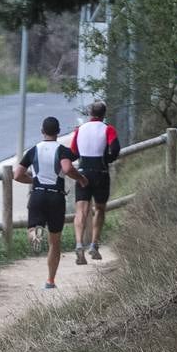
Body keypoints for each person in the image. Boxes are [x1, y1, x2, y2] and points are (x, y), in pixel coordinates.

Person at [14, 117, 89, 290]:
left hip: (38, 195)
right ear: (58, 131)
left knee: (32, 228)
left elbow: (17, 174)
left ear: (42, 131)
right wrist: (81, 179)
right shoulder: (62, 150)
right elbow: (68, 168)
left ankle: (35, 235)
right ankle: (50, 280)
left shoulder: (33, 150)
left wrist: (33, 180)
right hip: (56, 197)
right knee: (55, 242)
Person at [69, 100, 121, 262]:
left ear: (90, 113)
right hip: (101, 172)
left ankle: (79, 244)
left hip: (83, 173)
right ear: (104, 114)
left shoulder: (80, 130)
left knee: (81, 211)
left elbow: (73, 152)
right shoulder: (108, 129)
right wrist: (108, 159)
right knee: (99, 209)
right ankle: (94, 245)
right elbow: (116, 148)